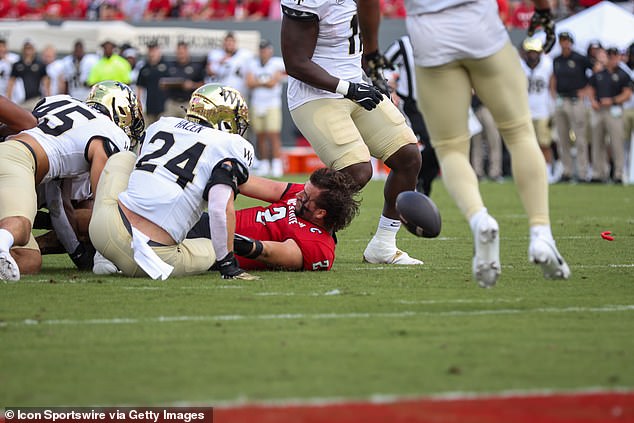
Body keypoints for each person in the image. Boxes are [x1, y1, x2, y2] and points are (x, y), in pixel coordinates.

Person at [403, 0, 570, 287]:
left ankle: (480, 219)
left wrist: (371, 50)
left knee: (451, 148)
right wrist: (543, 10)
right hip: (481, 27)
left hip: (429, 37)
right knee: (520, 134)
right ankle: (541, 233)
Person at [280, 0, 424, 265]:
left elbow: (369, 8)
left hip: (355, 83)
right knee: (356, 171)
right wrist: (349, 88)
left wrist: (372, 61)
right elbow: (295, 63)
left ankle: (383, 246)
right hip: (315, 94)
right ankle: (288, 228)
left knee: (408, 156)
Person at [89, 84, 258, 280]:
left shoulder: (161, 125)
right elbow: (219, 206)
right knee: (212, 246)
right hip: (153, 259)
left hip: (104, 227)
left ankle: (101, 256)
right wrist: (228, 264)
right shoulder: (232, 145)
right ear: (224, 118)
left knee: (124, 157)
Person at [0, 80, 144, 281]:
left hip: (18, 166)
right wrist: (99, 254)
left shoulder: (61, 102)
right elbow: (102, 204)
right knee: (21, 227)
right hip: (17, 160)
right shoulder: (111, 134)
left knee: (28, 260)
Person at [188, 167, 361, 271]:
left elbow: (265, 251)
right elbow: (250, 183)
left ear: (320, 213)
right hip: (210, 223)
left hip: (218, 248)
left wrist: (223, 238)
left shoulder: (319, 246)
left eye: (305, 195)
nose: (299, 193)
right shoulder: (306, 197)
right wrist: (228, 173)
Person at [383, 34, 439, 197]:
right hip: (411, 105)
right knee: (421, 146)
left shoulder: (442, 40)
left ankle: (422, 184)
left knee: (438, 148)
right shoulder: (403, 44)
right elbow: (383, 64)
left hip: (435, 104)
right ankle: (413, 184)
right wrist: (389, 82)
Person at [550, 31, 592, 183]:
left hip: (576, 100)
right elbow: (553, 77)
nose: (564, 43)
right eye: (562, 40)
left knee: (580, 137)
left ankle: (582, 172)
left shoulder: (580, 58)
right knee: (562, 138)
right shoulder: (557, 60)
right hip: (562, 99)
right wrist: (553, 93)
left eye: (567, 40)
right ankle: (567, 171)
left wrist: (586, 91)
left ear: (571, 42)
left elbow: (595, 72)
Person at [588, 47, 632, 184]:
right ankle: (598, 173)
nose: (613, 59)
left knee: (617, 143)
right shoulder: (599, 74)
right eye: (611, 56)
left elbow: (627, 94)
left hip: (614, 111)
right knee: (597, 142)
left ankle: (618, 174)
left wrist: (612, 100)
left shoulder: (623, 74)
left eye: (616, 56)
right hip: (599, 110)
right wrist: (593, 101)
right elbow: (590, 88)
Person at [245, 39, 286, 177]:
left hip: (272, 104)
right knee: (260, 136)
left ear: (270, 50)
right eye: (262, 50)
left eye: (266, 49)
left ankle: (276, 163)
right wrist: (265, 81)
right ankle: (264, 163)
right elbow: (249, 82)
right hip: (257, 104)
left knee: (273, 135)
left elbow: (273, 82)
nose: (264, 52)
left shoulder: (276, 63)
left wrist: (260, 82)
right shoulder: (252, 64)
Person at [520, 37, 556, 183]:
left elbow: (552, 87)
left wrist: (552, 107)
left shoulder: (548, 65)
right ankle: (529, 173)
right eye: (530, 52)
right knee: (526, 146)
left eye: (535, 52)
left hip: (542, 111)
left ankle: (547, 172)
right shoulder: (520, 65)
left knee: (544, 144)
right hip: (525, 111)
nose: (532, 55)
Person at [161, 41, 205, 119]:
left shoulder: (195, 67)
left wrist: (192, 85)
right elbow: (163, 81)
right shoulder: (170, 66)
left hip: (187, 102)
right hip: (172, 102)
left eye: (182, 52)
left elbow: (203, 84)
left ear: (187, 52)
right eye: (179, 52)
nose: (180, 54)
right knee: (168, 127)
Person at [6, 39, 50, 111]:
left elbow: (46, 82)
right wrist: (9, 98)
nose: (28, 51)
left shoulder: (40, 64)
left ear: (34, 49)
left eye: (30, 48)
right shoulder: (17, 64)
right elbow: (11, 82)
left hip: (35, 99)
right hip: (20, 100)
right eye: (26, 48)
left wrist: (47, 97)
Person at [136, 41, 169, 126]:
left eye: (154, 51)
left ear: (159, 51)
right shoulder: (144, 68)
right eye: (150, 51)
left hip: (164, 106)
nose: (152, 53)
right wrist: (139, 104)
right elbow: (139, 87)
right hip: (149, 106)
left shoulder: (166, 66)